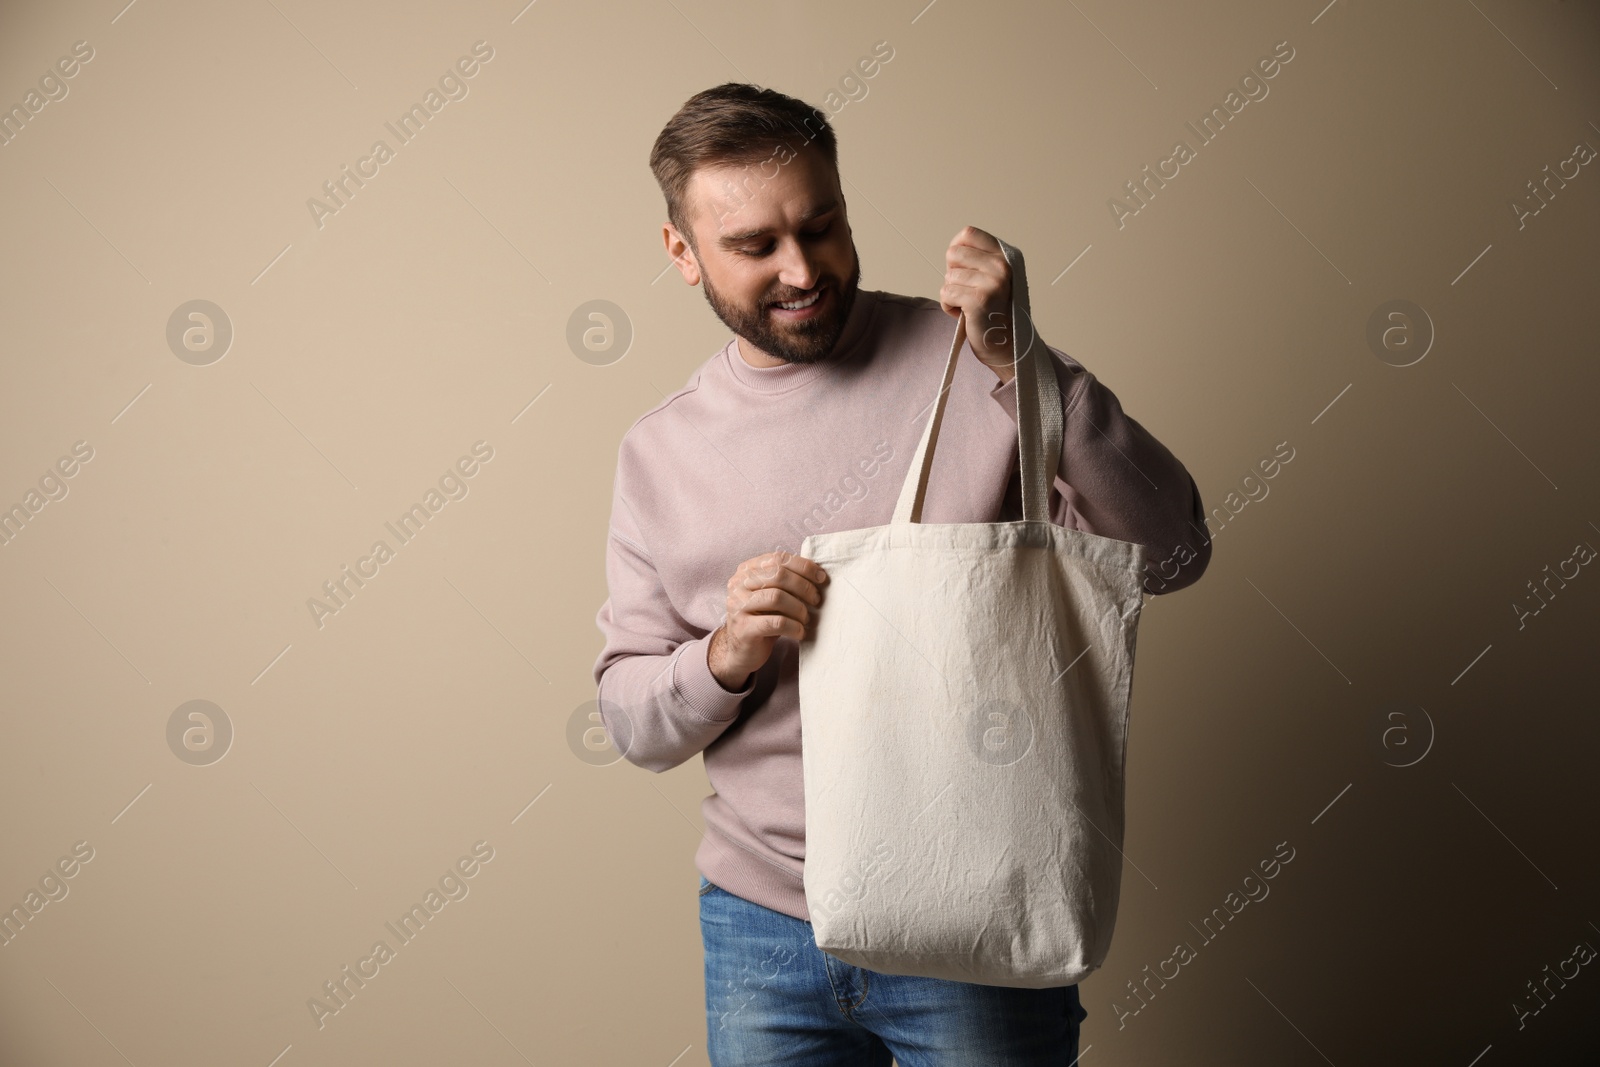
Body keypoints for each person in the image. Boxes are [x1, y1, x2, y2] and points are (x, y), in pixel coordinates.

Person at [592, 82, 1213, 1066]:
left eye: (822, 226)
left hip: (974, 901)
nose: (801, 269)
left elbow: (1174, 553)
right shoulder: (660, 452)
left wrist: (1027, 367)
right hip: (761, 926)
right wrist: (725, 651)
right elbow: (632, 721)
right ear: (681, 253)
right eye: (755, 245)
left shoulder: (977, 358)